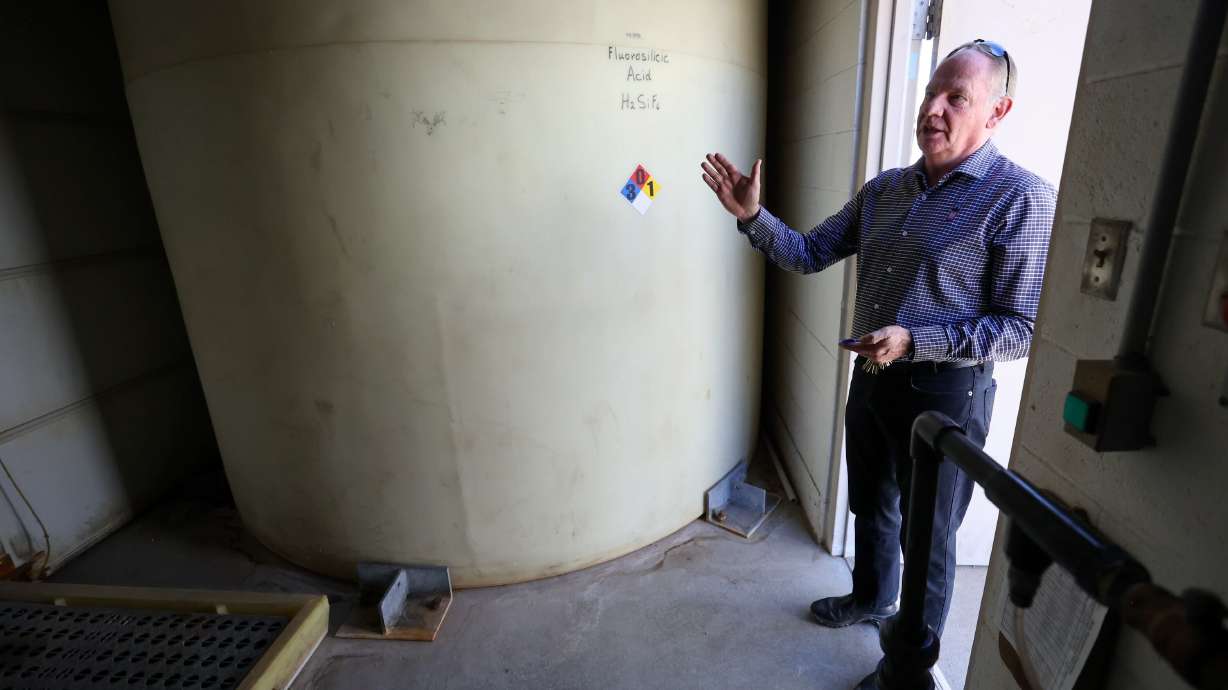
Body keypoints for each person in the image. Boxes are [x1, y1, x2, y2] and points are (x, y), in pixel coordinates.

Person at [700, 40, 1056, 648]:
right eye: (930, 93)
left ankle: (909, 666)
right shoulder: (886, 189)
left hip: (947, 395)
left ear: (997, 113)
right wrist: (754, 216)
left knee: (927, 537)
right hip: (872, 380)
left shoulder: (1019, 198)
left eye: (956, 98)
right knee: (872, 503)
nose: (933, 109)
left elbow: (1021, 328)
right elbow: (811, 253)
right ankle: (869, 597)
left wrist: (917, 339)